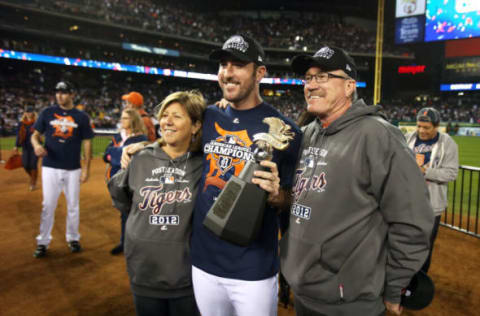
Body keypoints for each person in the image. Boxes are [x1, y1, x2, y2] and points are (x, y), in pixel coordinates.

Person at [121, 34, 302, 316]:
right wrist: (144, 145)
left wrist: (278, 195)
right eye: (223, 64)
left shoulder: (286, 131)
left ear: (260, 73)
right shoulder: (208, 117)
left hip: (253, 266)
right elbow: (175, 139)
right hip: (203, 263)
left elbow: (294, 201)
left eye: (238, 65)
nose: (227, 72)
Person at [279, 46, 434, 316]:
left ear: (350, 86)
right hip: (305, 289)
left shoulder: (379, 136)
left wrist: (395, 285)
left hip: (348, 301)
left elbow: (411, 220)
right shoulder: (307, 133)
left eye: (323, 76)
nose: (312, 85)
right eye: (308, 78)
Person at [108, 90, 206, 316]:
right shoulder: (140, 158)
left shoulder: (204, 164)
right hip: (144, 271)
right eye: (165, 115)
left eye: (177, 116)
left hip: (186, 276)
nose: (167, 121)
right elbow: (122, 201)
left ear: (195, 126)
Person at [31, 81, 94, 258]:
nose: (60, 95)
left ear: (72, 94)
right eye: (58, 92)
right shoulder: (47, 112)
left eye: (64, 92)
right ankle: (43, 241)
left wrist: (86, 168)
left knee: (73, 205)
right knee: (48, 205)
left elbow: (87, 142)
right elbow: (35, 135)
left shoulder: (81, 116)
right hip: (50, 166)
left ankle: (73, 238)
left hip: (73, 168)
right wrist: (36, 145)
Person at [405, 107, 459, 273]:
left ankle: (418, 284)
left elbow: (451, 173)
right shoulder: (408, 138)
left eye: (426, 127)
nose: (421, 130)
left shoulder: (447, 143)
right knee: (403, 242)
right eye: (419, 126)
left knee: (425, 245)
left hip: (431, 205)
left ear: (436, 126)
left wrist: (425, 171)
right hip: (406, 202)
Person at [103, 108, 148, 255]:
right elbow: (105, 155)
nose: (121, 120)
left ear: (133, 120)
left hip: (134, 180)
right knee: (123, 212)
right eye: (121, 118)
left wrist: (115, 153)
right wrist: (121, 152)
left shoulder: (140, 139)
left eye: (125, 118)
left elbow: (133, 159)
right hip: (118, 180)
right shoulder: (118, 136)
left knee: (136, 213)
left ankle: (138, 245)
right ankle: (124, 242)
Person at [14, 106, 39, 191]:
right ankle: (33, 176)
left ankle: (33, 182)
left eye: (30, 111)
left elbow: (41, 134)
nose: (28, 113)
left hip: (34, 147)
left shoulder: (36, 122)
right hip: (25, 147)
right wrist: (16, 146)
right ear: (25, 113)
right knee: (25, 165)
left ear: (33, 113)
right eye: (27, 112)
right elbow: (18, 135)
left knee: (33, 164)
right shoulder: (21, 123)